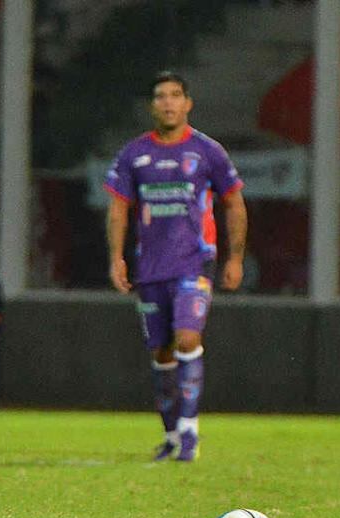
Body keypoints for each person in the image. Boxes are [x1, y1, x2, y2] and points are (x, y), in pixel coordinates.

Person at [105, 71, 247, 462]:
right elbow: (119, 208)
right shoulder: (134, 154)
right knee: (162, 353)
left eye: (175, 95)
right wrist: (116, 257)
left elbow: (234, 201)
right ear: (153, 106)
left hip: (194, 263)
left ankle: (189, 433)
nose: (168, 102)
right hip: (151, 267)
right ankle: (170, 435)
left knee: (187, 339)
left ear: (187, 104)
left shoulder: (207, 152)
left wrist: (234, 257)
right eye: (160, 96)